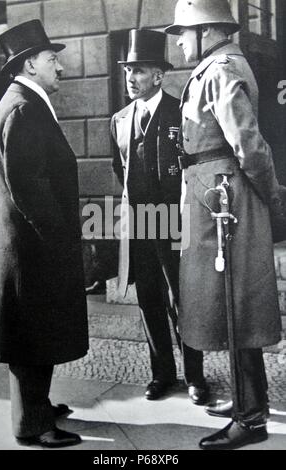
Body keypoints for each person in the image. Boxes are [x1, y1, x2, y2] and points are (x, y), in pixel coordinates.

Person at [165, 0, 282, 450]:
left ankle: (250, 419)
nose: (178, 41)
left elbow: (248, 145)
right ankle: (245, 405)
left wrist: (270, 198)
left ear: (207, 31)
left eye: (183, 32)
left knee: (236, 306)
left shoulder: (221, 69)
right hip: (213, 197)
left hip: (225, 204)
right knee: (226, 306)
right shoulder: (215, 66)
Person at [0, 20, 89, 448]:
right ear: (30, 64)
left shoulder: (23, 101)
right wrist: (63, 240)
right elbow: (30, 190)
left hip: (30, 246)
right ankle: (33, 424)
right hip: (36, 248)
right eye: (52, 59)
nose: (60, 67)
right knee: (31, 337)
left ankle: (37, 406)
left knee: (36, 330)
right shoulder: (24, 109)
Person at [111, 29, 208, 404]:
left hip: (174, 223)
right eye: (127, 70)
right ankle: (162, 374)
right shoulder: (119, 120)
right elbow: (119, 170)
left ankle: (195, 375)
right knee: (148, 299)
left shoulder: (179, 113)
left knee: (184, 301)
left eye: (139, 70)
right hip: (139, 225)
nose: (131, 78)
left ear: (158, 75)